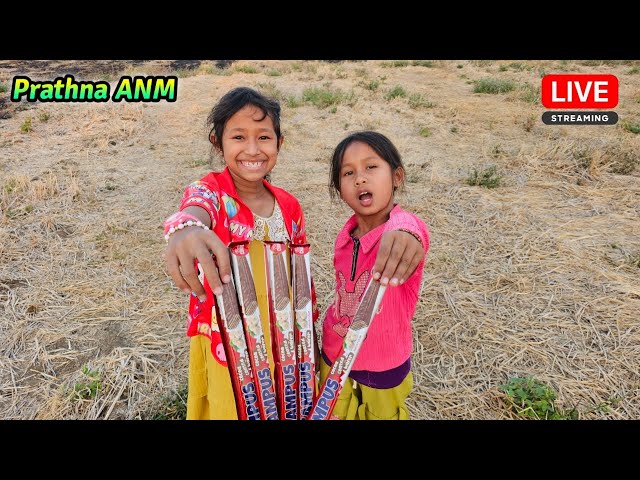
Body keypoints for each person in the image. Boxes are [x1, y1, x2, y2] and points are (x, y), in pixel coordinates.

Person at [163, 86, 313, 419]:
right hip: (229, 343)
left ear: (279, 143)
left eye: (263, 137)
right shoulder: (212, 193)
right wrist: (185, 228)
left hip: (281, 339)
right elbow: (194, 207)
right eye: (238, 137)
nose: (252, 149)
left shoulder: (290, 206)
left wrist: (306, 336)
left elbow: (301, 280)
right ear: (218, 143)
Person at [320, 130, 430, 420]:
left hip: (384, 363)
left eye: (371, 167)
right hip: (334, 355)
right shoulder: (344, 238)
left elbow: (410, 230)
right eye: (348, 173)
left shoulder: (400, 233)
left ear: (396, 177)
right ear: (339, 189)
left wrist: (405, 231)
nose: (360, 178)